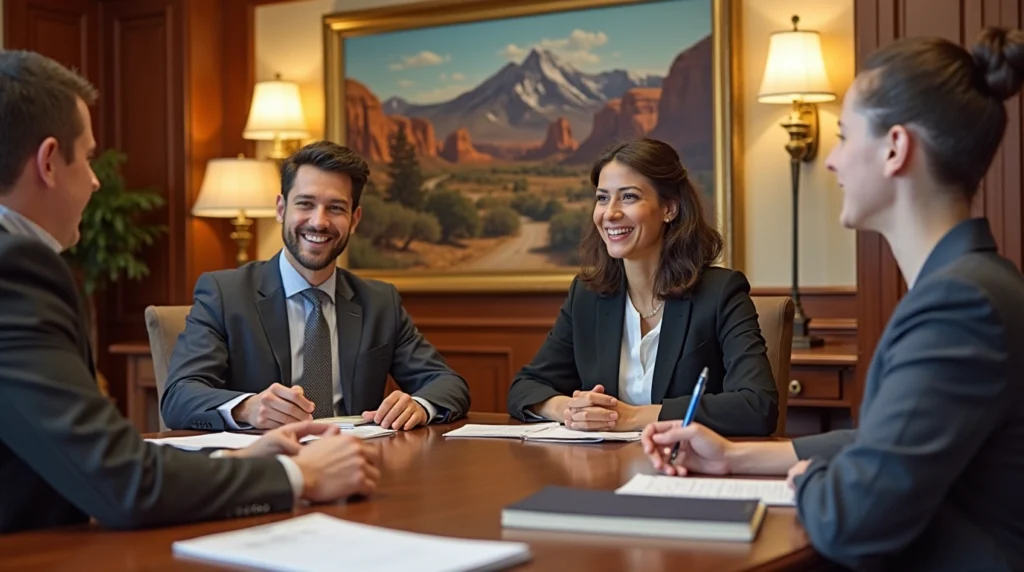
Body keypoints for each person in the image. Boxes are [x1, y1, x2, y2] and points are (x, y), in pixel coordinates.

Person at [642, 28, 1024, 570]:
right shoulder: (975, 285)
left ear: (895, 148)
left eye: (845, 137)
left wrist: (814, 477)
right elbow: (882, 442)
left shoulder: (959, 308)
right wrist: (735, 455)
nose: (831, 161)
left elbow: (852, 520)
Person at [0, 50, 380, 534]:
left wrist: (232, 461)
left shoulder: (377, 298)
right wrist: (297, 473)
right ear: (50, 162)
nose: (96, 181)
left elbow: (84, 461)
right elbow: (122, 481)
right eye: (90, 158)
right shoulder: (14, 270)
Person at [160, 140, 471, 432]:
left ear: (354, 219)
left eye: (335, 208)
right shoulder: (225, 293)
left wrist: (418, 404)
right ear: (281, 209)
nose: (319, 222)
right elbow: (180, 395)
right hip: (262, 471)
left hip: (356, 466)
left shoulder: (379, 302)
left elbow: (447, 384)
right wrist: (247, 408)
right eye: (305, 204)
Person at [507, 138, 779, 436]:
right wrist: (567, 410)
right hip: (603, 472)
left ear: (669, 209)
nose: (609, 213)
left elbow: (757, 405)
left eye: (629, 197)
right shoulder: (587, 296)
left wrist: (635, 417)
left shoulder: (719, 293)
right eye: (602, 198)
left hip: (689, 470)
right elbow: (525, 387)